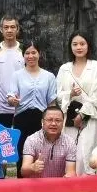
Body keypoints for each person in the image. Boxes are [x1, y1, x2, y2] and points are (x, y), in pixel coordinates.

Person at [56, 32, 97, 176]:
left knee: (88, 154)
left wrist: (82, 114)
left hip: (90, 118)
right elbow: (59, 95)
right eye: (75, 44)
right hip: (70, 120)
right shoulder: (64, 68)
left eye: (82, 44)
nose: (79, 47)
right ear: (70, 47)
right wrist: (70, 94)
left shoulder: (96, 66)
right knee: (71, 155)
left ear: (88, 45)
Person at [9, 40, 58, 177]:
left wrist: (52, 120)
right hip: (21, 118)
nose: (30, 56)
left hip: (41, 119)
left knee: (42, 150)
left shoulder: (49, 76)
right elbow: (11, 96)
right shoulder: (16, 75)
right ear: (23, 55)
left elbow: (52, 102)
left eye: (33, 52)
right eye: (27, 53)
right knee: (21, 150)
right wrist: (12, 100)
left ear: (39, 54)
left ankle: (43, 182)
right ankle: (22, 183)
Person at [0, 15, 24, 127]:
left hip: (21, 104)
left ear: (17, 29)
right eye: (6, 27)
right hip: (0, 107)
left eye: (12, 27)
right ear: (1, 29)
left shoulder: (25, 50)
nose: (9, 30)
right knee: (3, 136)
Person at [21, 105, 76, 178]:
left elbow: (71, 172)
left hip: (59, 184)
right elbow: (23, 171)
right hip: (36, 184)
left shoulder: (70, 142)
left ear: (63, 122)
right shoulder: (31, 140)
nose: (53, 124)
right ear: (42, 122)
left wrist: (69, 176)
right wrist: (33, 167)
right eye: (49, 120)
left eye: (58, 120)